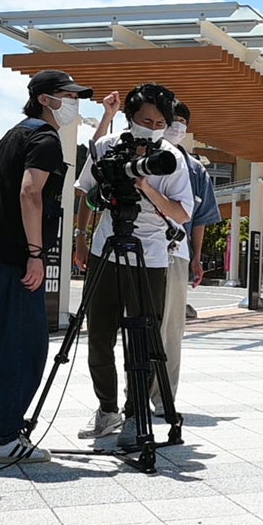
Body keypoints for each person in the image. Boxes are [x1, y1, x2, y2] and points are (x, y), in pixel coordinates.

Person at [0, 69, 91, 463]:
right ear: (46, 99)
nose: (75, 103)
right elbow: (31, 192)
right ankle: (5, 438)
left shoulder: (14, 134)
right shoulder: (44, 138)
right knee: (20, 347)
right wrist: (36, 253)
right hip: (15, 260)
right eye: (69, 95)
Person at [73, 83, 192, 449]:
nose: (152, 128)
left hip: (151, 256)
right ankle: (107, 408)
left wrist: (147, 187)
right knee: (99, 337)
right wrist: (80, 237)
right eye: (145, 120)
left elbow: (183, 212)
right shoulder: (109, 147)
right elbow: (86, 191)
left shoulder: (171, 158)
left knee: (141, 340)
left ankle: (135, 413)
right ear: (130, 118)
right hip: (104, 250)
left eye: (159, 122)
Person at [151, 97, 220, 413]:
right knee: (140, 323)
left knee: (171, 328)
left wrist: (196, 257)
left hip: (176, 252)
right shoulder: (144, 155)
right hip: (140, 249)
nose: (176, 127)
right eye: (172, 120)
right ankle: (134, 394)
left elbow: (202, 218)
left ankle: (164, 396)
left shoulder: (195, 169)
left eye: (182, 123)